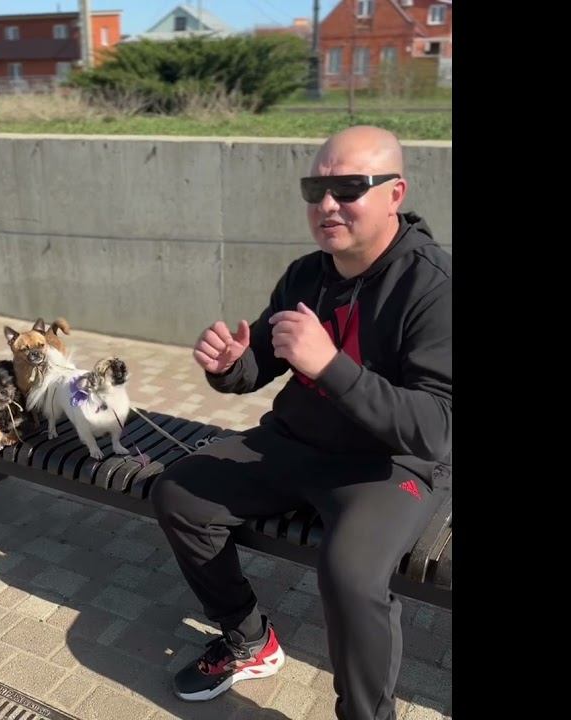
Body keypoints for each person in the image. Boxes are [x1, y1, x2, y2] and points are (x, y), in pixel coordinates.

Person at [150, 125, 452, 719]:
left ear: (395, 193)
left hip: (386, 466)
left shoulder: (433, 287)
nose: (327, 204)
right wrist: (231, 366)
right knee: (178, 494)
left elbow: (436, 428)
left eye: (349, 187)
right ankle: (249, 638)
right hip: (295, 442)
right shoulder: (307, 274)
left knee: (350, 574)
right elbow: (262, 360)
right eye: (316, 189)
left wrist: (331, 366)